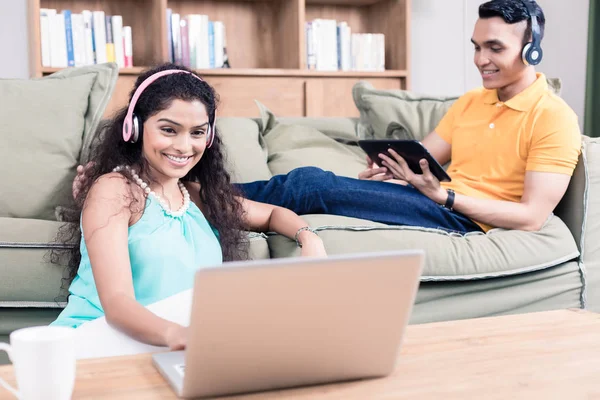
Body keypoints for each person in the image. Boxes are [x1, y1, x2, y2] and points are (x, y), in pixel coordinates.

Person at [74, 0, 580, 235]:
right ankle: (186, 194)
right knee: (311, 182)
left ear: (531, 50)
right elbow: (429, 159)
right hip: (435, 199)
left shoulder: (553, 119)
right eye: (476, 46)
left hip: (467, 218)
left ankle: (189, 196)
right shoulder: (472, 102)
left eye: (495, 48)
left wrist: (444, 194)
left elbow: (534, 216)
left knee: (310, 185)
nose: (480, 59)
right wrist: (395, 169)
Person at [52, 63, 327, 351]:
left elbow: (272, 214)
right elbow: (118, 305)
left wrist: (309, 238)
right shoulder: (114, 190)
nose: (184, 147)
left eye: (197, 133)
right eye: (169, 130)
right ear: (134, 128)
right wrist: (181, 336)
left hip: (170, 348)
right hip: (97, 342)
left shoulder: (195, 196)